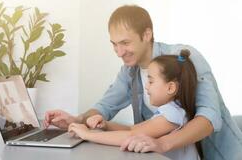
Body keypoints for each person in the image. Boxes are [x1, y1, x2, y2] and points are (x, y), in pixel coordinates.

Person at [43, 5, 242, 159]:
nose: (119, 52)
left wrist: (162, 144)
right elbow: (106, 107)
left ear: (146, 35)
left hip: (222, 155)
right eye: (114, 44)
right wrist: (77, 120)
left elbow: (209, 118)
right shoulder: (129, 70)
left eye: (125, 43)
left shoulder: (182, 59)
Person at [69, 49, 200, 160]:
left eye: (151, 81)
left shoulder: (173, 114)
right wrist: (106, 125)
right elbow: (133, 130)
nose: (146, 87)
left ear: (170, 88)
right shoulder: (169, 111)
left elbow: (131, 136)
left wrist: (88, 135)